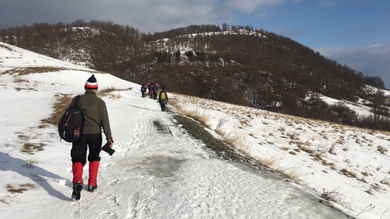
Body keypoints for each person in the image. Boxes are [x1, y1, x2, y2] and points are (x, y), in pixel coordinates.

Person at [70, 74, 114, 200]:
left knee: (77, 158)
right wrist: (109, 137)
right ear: (96, 89)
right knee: (94, 157)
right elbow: (105, 122)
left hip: (79, 134)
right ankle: (92, 184)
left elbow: (71, 116)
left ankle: (77, 182)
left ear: (85, 87)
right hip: (95, 135)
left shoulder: (77, 99)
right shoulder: (100, 103)